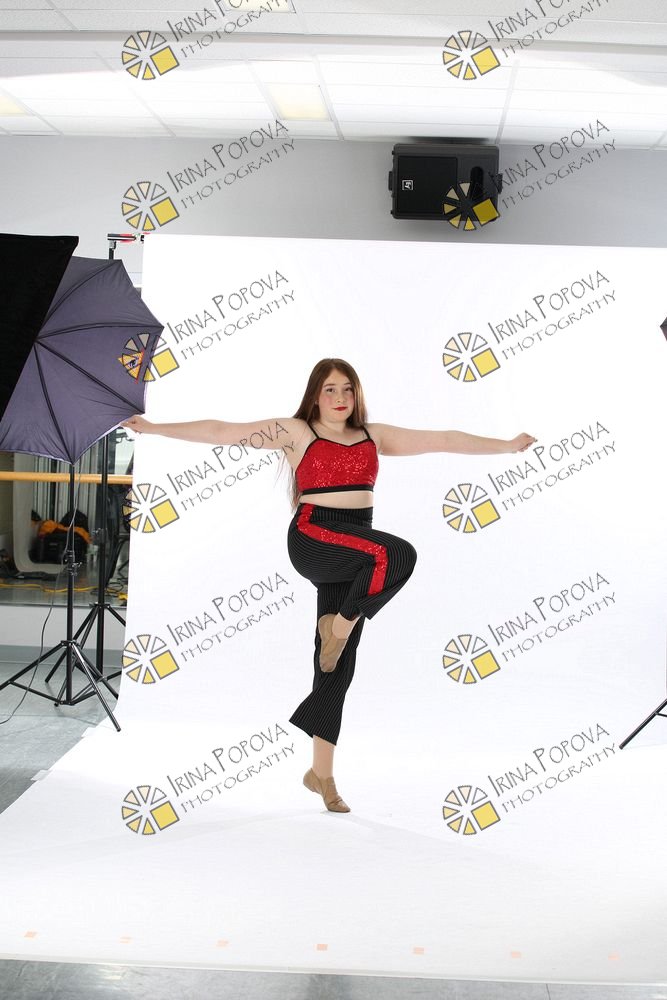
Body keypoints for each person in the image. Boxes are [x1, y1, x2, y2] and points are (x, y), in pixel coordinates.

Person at [123, 358, 536, 815]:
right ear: (315, 396)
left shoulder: (373, 436)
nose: (340, 398)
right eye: (330, 390)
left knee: (336, 665)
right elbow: (222, 431)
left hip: (355, 551)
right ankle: (337, 627)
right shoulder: (296, 432)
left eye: (347, 389)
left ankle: (321, 773)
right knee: (397, 554)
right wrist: (155, 428)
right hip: (314, 536)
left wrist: (506, 446)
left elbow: (443, 440)